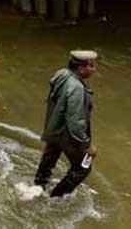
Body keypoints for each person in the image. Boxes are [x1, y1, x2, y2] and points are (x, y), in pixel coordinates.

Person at [34, 50, 98, 197]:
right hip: (68, 135)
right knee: (83, 168)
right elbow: (76, 122)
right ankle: (57, 196)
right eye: (92, 66)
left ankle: (38, 186)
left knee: (49, 158)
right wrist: (87, 145)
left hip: (54, 128)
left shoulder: (62, 74)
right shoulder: (77, 88)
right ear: (81, 68)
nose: (94, 69)